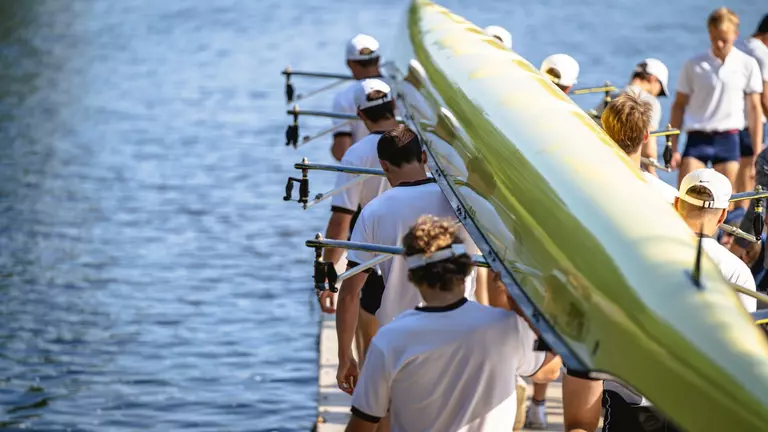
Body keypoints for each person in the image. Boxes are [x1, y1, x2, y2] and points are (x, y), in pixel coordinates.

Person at [562, 169, 758, 432]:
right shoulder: (737, 272)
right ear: (723, 215)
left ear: (677, 204)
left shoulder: (632, 252)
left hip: (632, 399)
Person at [524, 92, 676, 430]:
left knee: (581, 423)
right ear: (647, 137)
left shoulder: (576, 193)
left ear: (602, 134)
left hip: (591, 324)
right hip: (648, 329)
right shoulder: (672, 200)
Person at [342, 216, 562, 432]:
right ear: (467, 268)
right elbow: (550, 371)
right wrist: (515, 301)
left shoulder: (389, 339)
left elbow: (363, 424)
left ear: (412, 276)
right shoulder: (506, 327)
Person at [334, 126, 480, 398]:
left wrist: (346, 358)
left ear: (383, 165)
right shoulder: (457, 201)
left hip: (398, 340)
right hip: (458, 331)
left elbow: (351, 293)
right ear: (424, 157)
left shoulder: (374, 211)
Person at [317, 78, 397, 364]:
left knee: (372, 351)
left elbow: (341, 218)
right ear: (395, 106)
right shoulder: (420, 145)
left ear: (360, 115)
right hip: (415, 252)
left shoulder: (357, 154)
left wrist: (327, 277)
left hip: (373, 253)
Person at [669, 7, 764, 191]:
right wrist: (673, 148)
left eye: (724, 40)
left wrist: (756, 152)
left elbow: (754, 109)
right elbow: (678, 106)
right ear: (709, 34)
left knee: (723, 203)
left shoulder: (747, 64)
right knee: (687, 196)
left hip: (728, 139)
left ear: (736, 35)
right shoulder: (694, 64)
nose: (719, 44)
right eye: (714, 39)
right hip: (697, 139)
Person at [592, 59, 670, 176]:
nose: (657, 95)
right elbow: (649, 150)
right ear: (653, 79)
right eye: (660, 91)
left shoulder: (612, 97)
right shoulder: (649, 102)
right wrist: (652, 172)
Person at [330, 34, 387, 161]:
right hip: (405, 171)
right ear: (378, 59)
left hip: (362, 173)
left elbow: (341, 152)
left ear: (349, 63)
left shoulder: (343, 97)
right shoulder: (400, 89)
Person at [735, 14, 768, 209]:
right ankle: (740, 222)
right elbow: (765, 97)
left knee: (732, 177)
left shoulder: (740, 46)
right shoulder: (763, 54)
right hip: (753, 123)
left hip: (731, 121)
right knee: (749, 176)